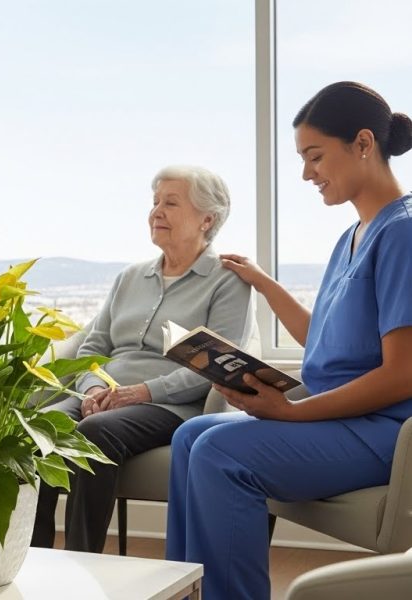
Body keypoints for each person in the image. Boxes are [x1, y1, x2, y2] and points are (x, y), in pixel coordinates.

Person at [165, 81, 412, 600]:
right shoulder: (352, 236)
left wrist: (292, 413)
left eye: (315, 157)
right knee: (190, 439)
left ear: (363, 144)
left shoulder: (403, 233)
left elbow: (402, 373)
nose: (307, 174)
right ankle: (189, 593)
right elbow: (321, 339)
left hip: (381, 431)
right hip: (339, 419)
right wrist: (262, 282)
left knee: (217, 452)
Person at [30, 165, 254, 553]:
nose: (156, 212)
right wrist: (95, 385)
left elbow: (217, 364)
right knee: (38, 429)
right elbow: (92, 346)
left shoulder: (227, 280)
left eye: (170, 203)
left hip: (171, 405)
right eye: (154, 203)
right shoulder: (130, 277)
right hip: (104, 395)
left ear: (207, 219)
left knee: (94, 434)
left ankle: (81, 567)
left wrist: (141, 393)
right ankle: (31, 561)